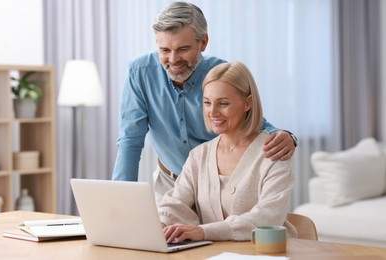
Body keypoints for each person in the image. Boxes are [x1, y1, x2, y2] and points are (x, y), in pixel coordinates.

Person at [112, 2, 298, 204]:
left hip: (217, 187)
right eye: (164, 50)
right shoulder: (140, 72)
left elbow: (253, 122)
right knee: (160, 235)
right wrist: (121, 200)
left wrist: (287, 136)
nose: (173, 60)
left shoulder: (220, 73)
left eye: (183, 49)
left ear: (203, 42)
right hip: (170, 184)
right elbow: (131, 140)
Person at [159, 61, 297, 242]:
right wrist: (160, 224)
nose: (213, 112)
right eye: (207, 103)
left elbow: (266, 217)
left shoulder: (273, 152)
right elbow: (176, 203)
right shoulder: (199, 155)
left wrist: (202, 232)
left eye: (223, 103)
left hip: (266, 253)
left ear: (248, 103)